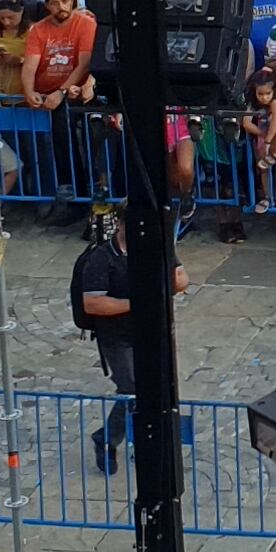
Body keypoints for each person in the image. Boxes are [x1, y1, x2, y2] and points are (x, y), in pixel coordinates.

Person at [71, 203, 192, 476]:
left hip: (151, 331)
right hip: (117, 337)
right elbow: (93, 304)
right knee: (132, 390)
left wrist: (163, 288)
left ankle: (146, 442)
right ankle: (108, 439)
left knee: (159, 386)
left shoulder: (154, 245)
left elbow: (181, 278)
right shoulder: (101, 258)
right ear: (122, 225)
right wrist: (141, 302)